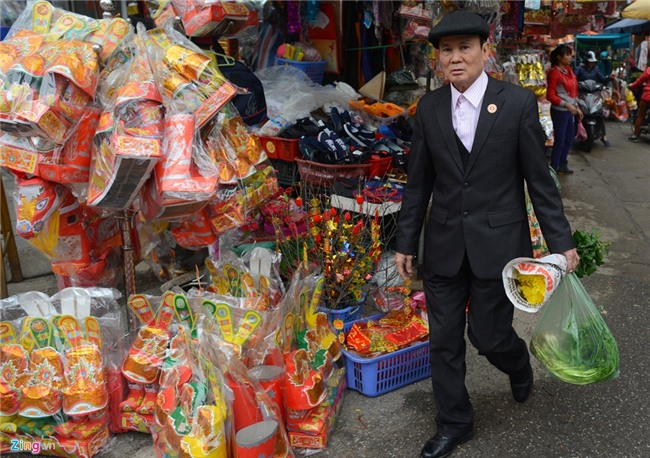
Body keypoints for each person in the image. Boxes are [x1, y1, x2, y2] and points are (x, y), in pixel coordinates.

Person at [393, 11, 580, 458]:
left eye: (464, 48)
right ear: (437, 57)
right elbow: (418, 182)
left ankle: (517, 364)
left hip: (499, 245)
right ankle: (454, 422)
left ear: (484, 50)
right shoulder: (430, 107)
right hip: (442, 245)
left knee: (489, 337)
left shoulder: (516, 103)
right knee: (443, 340)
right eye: (446, 50)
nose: (455, 58)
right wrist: (405, 240)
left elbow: (539, 180)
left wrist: (562, 243)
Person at [546, 44, 582, 174]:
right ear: (559, 57)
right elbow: (550, 95)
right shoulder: (554, 73)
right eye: (567, 55)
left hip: (569, 111)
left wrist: (576, 106)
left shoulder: (568, 70)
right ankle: (554, 167)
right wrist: (567, 105)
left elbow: (573, 91)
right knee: (560, 140)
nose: (570, 57)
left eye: (570, 55)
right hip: (559, 112)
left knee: (569, 138)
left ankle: (563, 163)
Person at [575, 50, 615, 146]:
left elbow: (602, 79)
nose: (592, 64)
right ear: (586, 61)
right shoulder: (579, 69)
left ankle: (603, 136)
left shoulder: (596, 69)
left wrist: (609, 77)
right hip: (582, 94)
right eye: (590, 62)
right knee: (576, 112)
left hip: (594, 93)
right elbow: (573, 79)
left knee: (599, 112)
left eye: (593, 62)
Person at [628, 65, 650, 142]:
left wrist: (632, 85)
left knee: (641, 115)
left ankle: (635, 135)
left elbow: (640, 81)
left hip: (646, 97)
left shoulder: (648, 70)